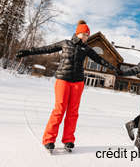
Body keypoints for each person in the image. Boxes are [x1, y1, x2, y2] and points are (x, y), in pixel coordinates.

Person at [16, 20, 119, 153]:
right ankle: (49, 139)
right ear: (78, 34)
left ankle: (68, 139)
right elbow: (46, 49)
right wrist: (26, 52)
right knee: (59, 109)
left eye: (88, 36)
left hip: (78, 82)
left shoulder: (86, 48)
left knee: (73, 112)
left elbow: (100, 60)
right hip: (63, 79)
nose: (86, 38)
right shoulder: (65, 43)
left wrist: (114, 69)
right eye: (85, 35)